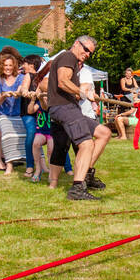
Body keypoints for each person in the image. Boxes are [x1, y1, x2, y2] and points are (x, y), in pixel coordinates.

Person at [48, 36, 111, 200]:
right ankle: (77, 189)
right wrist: (82, 92)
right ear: (76, 44)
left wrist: (85, 93)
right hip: (64, 108)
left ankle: (85, 174)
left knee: (104, 132)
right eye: (86, 49)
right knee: (86, 143)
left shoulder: (73, 63)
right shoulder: (68, 56)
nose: (87, 54)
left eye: (90, 52)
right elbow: (62, 81)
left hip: (68, 107)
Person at [0, 49, 29, 177]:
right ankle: (9, 165)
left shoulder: (21, 78)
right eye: (5, 65)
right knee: (7, 134)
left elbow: (21, 90)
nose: (7, 68)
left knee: (27, 135)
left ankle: (31, 163)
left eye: (10, 65)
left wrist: (18, 92)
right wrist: (4, 95)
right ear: (1, 66)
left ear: (14, 66)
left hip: (18, 113)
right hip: (3, 113)